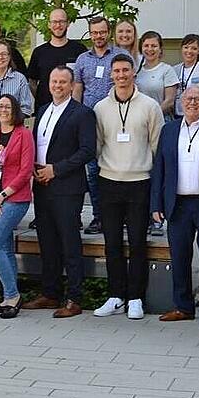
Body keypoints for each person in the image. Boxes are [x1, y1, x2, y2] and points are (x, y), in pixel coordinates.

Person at [92, 54, 164, 320]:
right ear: (111, 74)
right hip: (109, 181)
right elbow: (98, 144)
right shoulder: (100, 107)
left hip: (140, 182)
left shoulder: (149, 106)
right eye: (117, 71)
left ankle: (135, 298)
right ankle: (115, 296)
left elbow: (157, 146)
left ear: (134, 72)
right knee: (111, 243)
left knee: (137, 243)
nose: (121, 75)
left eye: (125, 70)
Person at [151, 86, 199, 327]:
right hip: (177, 203)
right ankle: (182, 306)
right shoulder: (169, 129)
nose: (192, 102)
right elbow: (159, 168)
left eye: (197, 99)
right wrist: (156, 203)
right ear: (181, 103)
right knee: (180, 255)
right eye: (188, 99)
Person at [25, 66, 96, 317]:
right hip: (42, 185)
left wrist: (56, 169)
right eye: (54, 81)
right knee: (47, 242)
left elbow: (87, 151)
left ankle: (74, 298)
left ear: (71, 85)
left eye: (63, 82)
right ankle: (50, 293)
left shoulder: (82, 113)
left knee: (69, 242)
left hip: (67, 187)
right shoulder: (42, 110)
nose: (57, 86)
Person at [0, 94, 33, 319]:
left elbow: (25, 171)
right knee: (4, 248)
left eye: (8, 106)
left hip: (14, 199)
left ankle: (13, 295)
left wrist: (1, 196)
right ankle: (7, 297)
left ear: (15, 110)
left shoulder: (23, 135)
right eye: (0, 106)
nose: (3, 110)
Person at [73, 16, 128, 236]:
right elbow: (78, 88)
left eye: (102, 32)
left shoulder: (118, 57)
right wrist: (75, 116)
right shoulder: (82, 59)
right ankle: (98, 216)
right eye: (94, 32)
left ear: (109, 32)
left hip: (116, 122)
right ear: (90, 34)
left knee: (117, 170)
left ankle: (121, 216)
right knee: (94, 172)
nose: (98, 36)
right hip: (89, 123)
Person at [27, 8, 87, 111]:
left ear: (68, 24)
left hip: (71, 110)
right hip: (44, 108)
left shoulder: (79, 50)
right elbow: (32, 81)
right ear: (49, 24)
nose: (58, 25)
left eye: (61, 21)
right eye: (54, 22)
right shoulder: (39, 52)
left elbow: (84, 80)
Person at [134, 31, 179, 117]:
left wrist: (152, 114)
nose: (150, 49)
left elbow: (169, 101)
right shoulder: (136, 70)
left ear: (160, 49)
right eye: (146, 46)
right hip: (138, 117)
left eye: (154, 46)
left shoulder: (167, 70)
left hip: (160, 118)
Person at [173, 34, 199, 118]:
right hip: (178, 113)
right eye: (186, 47)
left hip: (196, 113)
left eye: (194, 48)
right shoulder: (175, 69)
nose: (189, 51)